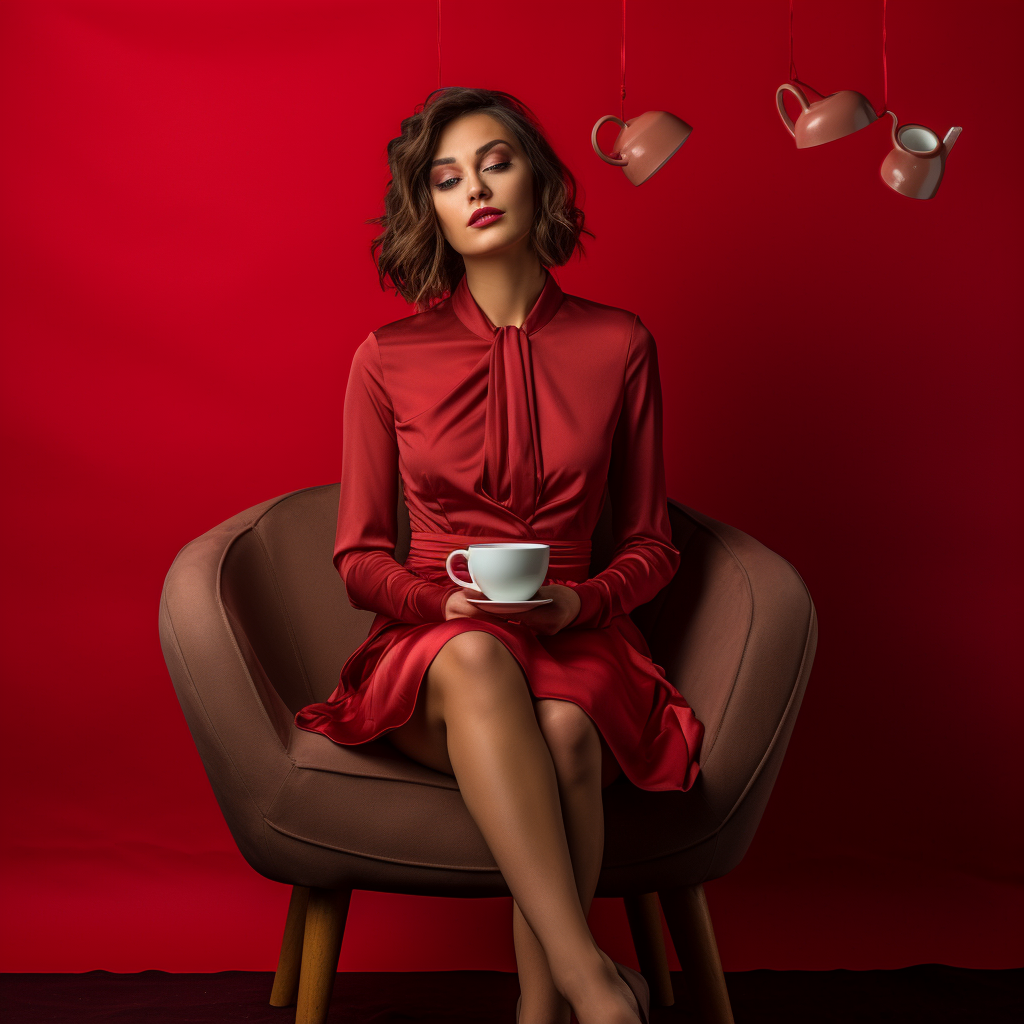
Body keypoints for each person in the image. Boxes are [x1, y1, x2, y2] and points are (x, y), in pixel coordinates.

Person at [294, 86, 705, 1024]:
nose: (474, 189)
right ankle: (596, 982)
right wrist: (437, 607)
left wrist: (584, 603)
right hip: (435, 650)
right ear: (428, 208)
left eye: (496, 162)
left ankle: (540, 1007)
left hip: (577, 639)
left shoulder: (621, 342)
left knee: (564, 731)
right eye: (447, 178)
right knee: (480, 659)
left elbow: (651, 542)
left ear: (538, 181)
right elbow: (358, 553)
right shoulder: (385, 358)